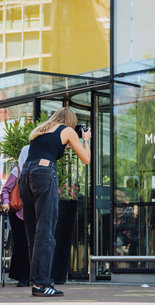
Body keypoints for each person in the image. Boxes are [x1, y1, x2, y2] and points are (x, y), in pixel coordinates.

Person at [19, 108, 91, 297]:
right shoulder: (67, 131)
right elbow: (86, 159)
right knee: (46, 232)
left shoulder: (40, 131)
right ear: (71, 122)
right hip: (44, 174)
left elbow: (52, 147)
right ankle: (42, 284)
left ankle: (37, 282)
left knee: (34, 234)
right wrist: (85, 140)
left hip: (26, 175)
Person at [1, 145, 30, 287]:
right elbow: (5, 190)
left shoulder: (37, 172)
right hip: (18, 213)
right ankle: (22, 277)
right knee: (22, 244)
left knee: (32, 245)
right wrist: (5, 203)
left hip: (33, 214)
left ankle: (30, 276)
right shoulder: (16, 171)